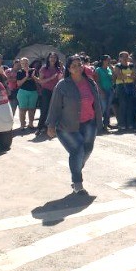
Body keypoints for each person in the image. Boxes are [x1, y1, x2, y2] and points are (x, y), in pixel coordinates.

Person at [46, 55, 102, 194]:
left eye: (80, 64)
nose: (78, 67)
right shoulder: (63, 85)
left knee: (87, 149)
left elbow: (97, 103)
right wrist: (50, 125)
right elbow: (55, 106)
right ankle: (78, 183)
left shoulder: (90, 82)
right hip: (67, 126)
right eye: (74, 66)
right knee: (77, 150)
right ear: (69, 69)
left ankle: (76, 167)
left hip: (89, 122)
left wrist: (100, 120)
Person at [36, 52, 63, 136]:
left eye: (54, 57)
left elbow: (60, 80)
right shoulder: (44, 68)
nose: (53, 59)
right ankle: (40, 128)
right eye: (51, 57)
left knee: (54, 110)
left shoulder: (59, 69)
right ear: (48, 58)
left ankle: (50, 127)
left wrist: (60, 77)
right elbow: (40, 81)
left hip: (56, 91)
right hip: (46, 91)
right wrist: (51, 78)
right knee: (44, 109)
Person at [113, 51, 136, 131]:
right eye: (123, 57)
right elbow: (119, 76)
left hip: (130, 86)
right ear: (120, 58)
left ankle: (130, 123)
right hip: (121, 86)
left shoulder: (131, 65)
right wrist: (129, 75)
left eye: (126, 57)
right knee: (123, 105)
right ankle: (122, 124)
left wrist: (126, 76)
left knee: (130, 105)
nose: (125, 58)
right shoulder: (117, 66)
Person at [16, 57, 39, 130]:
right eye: (23, 63)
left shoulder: (33, 70)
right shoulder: (19, 72)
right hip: (23, 92)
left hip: (33, 92)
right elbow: (19, 84)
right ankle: (22, 125)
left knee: (32, 109)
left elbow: (38, 81)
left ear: (28, 63)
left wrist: (33, 76)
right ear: (21, 64)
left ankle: (31, 124)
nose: (25, 64)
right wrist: (26, 77)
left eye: (26, 63)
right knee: (22, 109)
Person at [95, 55, 115, 131]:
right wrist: (100, 90)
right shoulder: (98, 70)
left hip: (110, 90)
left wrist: (112, 70)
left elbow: (113, 79)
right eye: (108, 60)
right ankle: (98, 124)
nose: (109, 61)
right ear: (103, 61)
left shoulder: (109, 69)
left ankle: (106, 124)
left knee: (108, 108)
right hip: (102, 90)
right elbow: (97, 81)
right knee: (103, 108)